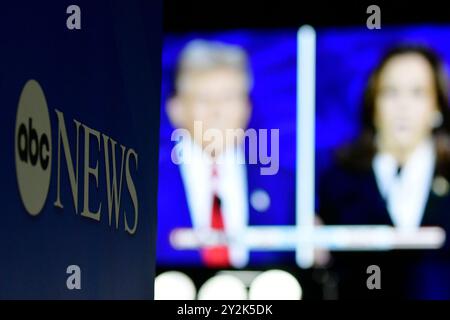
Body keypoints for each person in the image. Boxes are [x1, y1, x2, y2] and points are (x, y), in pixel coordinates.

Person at [318, 44, 450, 299]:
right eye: (390, 92)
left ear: (437, 107)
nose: (403, 106)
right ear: (373, 103)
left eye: (417, 92)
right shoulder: (337, 180)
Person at [157, 40, 295, 269]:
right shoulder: (144, 182)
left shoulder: (282, 185)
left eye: (229, 97)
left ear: (247, 107)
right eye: (204, 99)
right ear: (175, 109)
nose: (217, 112)